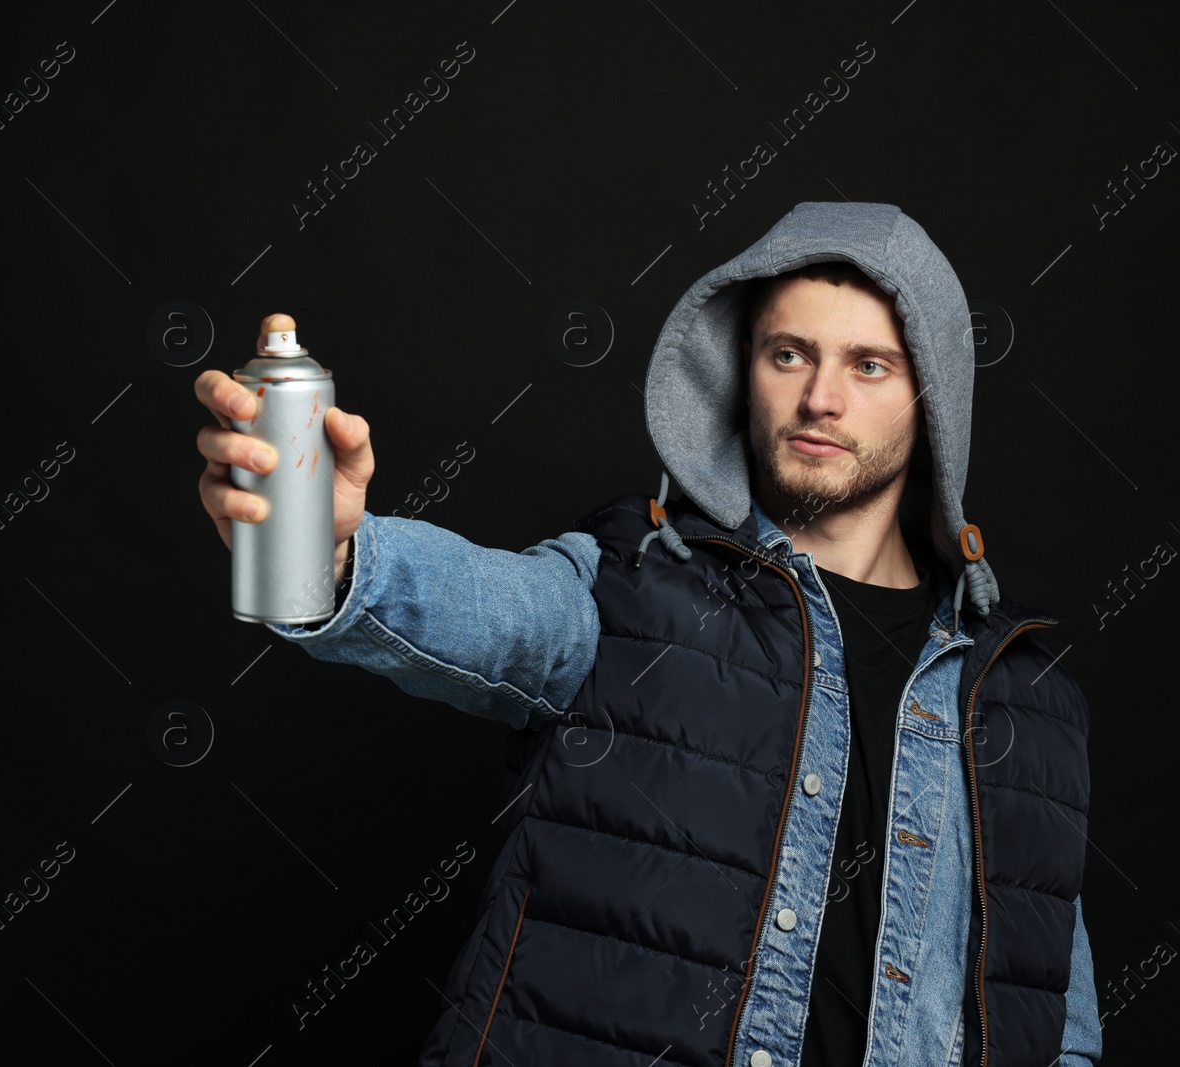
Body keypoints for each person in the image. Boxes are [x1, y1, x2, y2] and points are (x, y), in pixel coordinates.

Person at [194, 201, 1101, 1067]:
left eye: (869, 365)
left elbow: (1056, 1014)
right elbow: (498, 614)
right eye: (790, 354)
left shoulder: (1028, 697)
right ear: (741, 367)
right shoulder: (633, 577)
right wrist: (341, 548)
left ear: (931, 395)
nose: (821, 397)